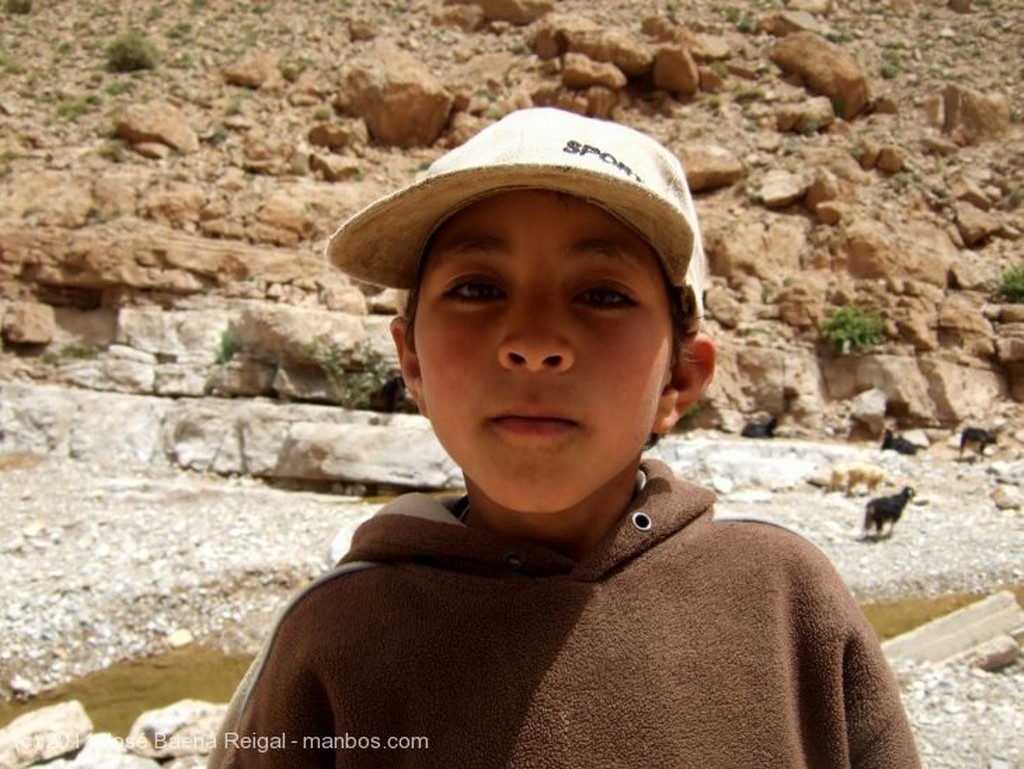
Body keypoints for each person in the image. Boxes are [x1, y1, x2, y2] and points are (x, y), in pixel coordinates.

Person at [208, 108, 919, 768]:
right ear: (413, 364)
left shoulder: (787, 601)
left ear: (680, 378)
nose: (534, 342)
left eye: (602, 294)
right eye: (477, 288)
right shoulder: (334, 634)